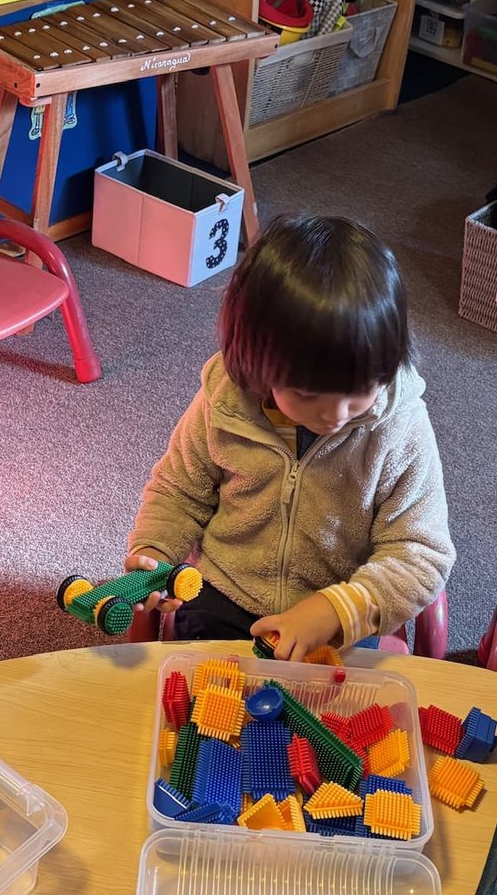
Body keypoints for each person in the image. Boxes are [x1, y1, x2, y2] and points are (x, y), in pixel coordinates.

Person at [126, 215, 454, 660]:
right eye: (307, 395)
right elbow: (178, 490)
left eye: (360, 390)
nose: (335, 415)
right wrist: (154, 549)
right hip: (228, 592)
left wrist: (335, 610)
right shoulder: (224, 404)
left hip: (338, 611)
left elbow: (421, 552)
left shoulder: (400, 428)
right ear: (257, 365)